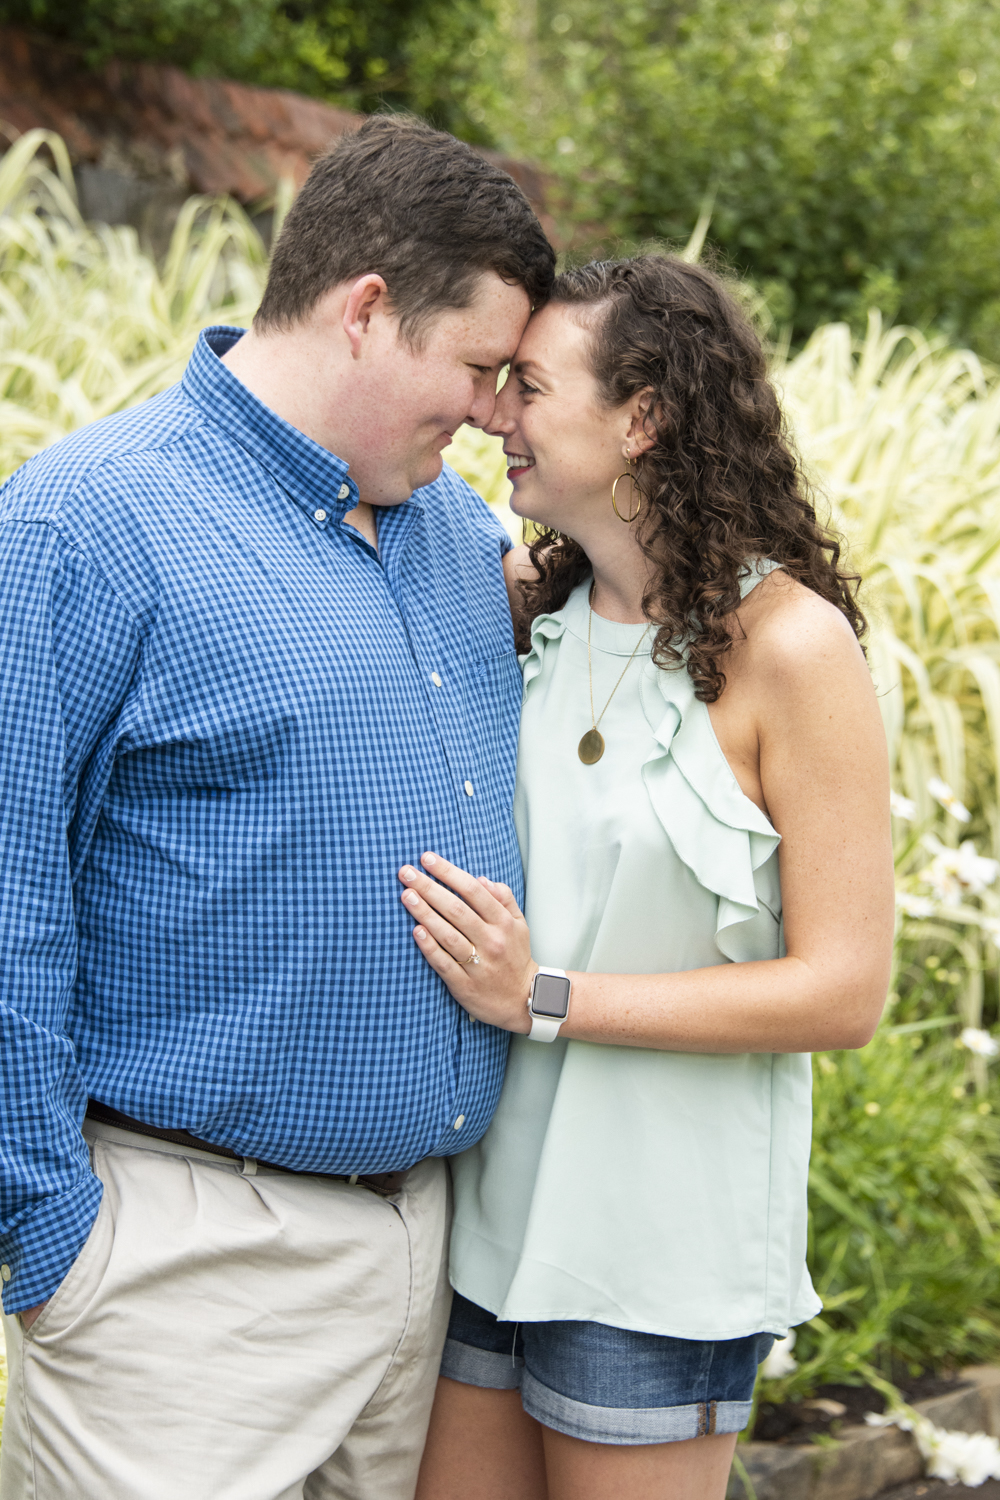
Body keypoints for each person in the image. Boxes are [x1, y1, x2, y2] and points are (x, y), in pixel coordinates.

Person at [0, 115, 553, 1500]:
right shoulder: (85, 522)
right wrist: (49, 1233)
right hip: (181, 1276)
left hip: (426, 1263)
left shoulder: (465, 538)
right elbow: (9, 900)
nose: (497, 414)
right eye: (480, 368)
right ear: (368, 311)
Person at [397, 256, 896, 1500]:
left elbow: (844, 991)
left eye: (529, 385)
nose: (493, 414)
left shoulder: (790, 649)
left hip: (656, 1257)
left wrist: (548, 995)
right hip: (489, 1230)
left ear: (642, 416)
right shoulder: (525, 612)